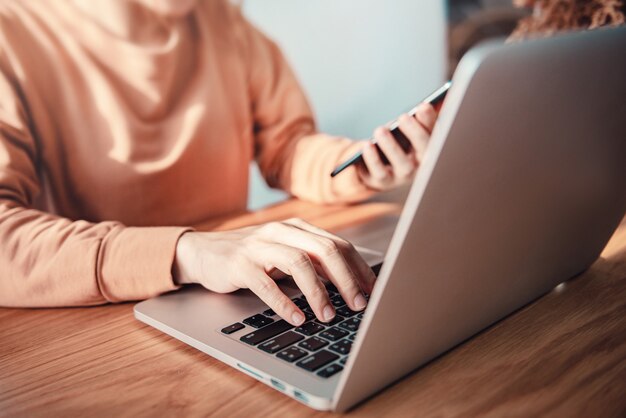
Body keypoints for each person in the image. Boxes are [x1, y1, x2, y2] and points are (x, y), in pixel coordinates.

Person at [0, 0, 438, 326]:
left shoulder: (226, 21)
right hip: (97, 323)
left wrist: (359, 166)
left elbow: (286, 148)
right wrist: (186, 252)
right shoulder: (12, 33)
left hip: (235, 293)